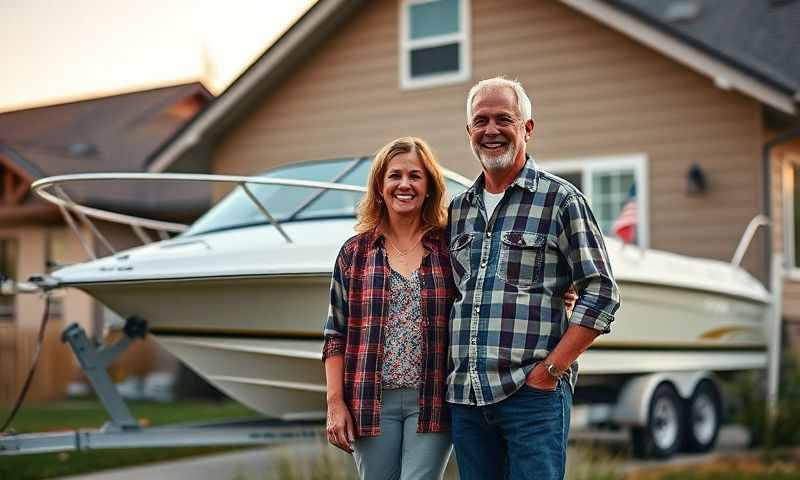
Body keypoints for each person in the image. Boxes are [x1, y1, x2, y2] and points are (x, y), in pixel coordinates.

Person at [446, 77, 621, 480]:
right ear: (469, 132)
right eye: (481, 120)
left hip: (532, 397)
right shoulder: (458, 211)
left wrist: (551, 372)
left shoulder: (562, 200)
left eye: (504, 119)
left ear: (527, 127)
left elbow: (602, 293)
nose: (491, 130)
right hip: (466, 399)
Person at [322, 137, 454, 480]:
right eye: (394, 176)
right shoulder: (355, 253)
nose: (404, 184)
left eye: (415, 176)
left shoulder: (449, 249)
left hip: (433, 401)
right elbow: (335, 335)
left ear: (429, 188)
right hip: (369, 401)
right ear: (380, 187)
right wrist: (335, 404)